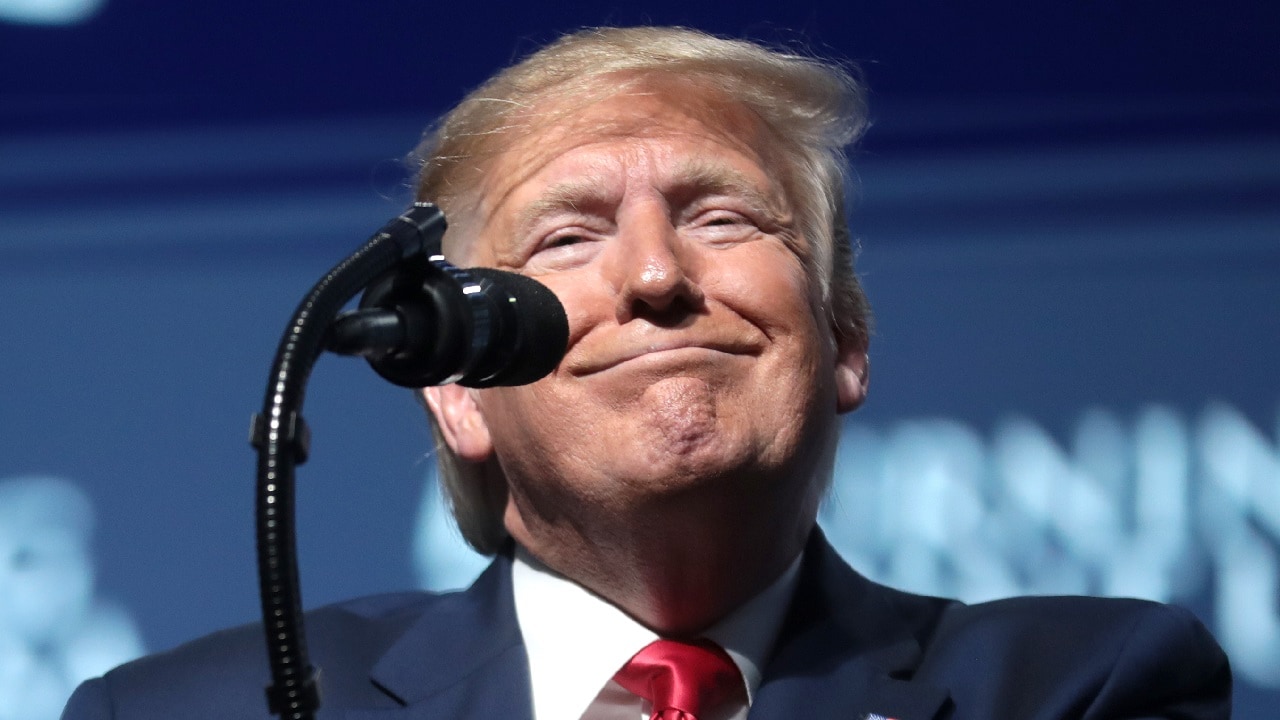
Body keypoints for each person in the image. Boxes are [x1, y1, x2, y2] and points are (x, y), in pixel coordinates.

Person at [61, 26, 1230, 720]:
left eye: (722, 217)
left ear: (845, 343)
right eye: (566, 239)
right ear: (457, 390)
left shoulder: (1075, 686)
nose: (656, 276)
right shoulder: (184, 713)